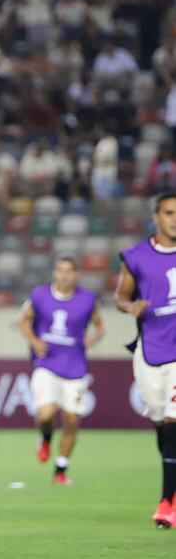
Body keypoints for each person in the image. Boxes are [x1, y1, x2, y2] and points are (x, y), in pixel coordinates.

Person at [115, 192, 176, 528]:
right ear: (156, 216)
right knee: (161, 424)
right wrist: (130, 306)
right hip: (151, 350)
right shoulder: (136, 257)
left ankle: (167, 502)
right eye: (169, 213)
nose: (175, 219)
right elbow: (120, 297)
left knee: (173, 422)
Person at [18, 256, 104, 486]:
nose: (64, 275)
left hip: (75, 367)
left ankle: (60, 470)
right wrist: (34, 341)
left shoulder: (87, 299)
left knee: (72, 419)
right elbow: (23, 320)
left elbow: (99, 325)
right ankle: (45, 437)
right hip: (46, 363)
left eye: (69, 271)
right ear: (54, 273)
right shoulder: (39, 295)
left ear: (77, 274)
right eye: (60, 270)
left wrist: (92, 339)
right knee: (46, 414)